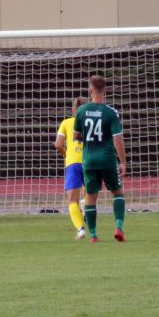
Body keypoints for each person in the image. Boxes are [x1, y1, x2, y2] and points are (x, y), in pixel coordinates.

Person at [72, 75, 127, 243]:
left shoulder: (81, 111)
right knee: (117, 192)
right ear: (105, 90)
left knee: (90, 196)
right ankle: (118, 227)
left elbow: (76, 136)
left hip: (88, 159)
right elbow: (118, 138)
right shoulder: (111, 112)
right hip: (107, 158)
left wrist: (89, 138)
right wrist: (123, 161)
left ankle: (94, 235)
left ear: (91, 90)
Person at [55, 97, 88, 240]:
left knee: (72, 200)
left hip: (73, 162)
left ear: (74, 110)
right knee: (89, 194)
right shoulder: (90, 124)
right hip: (90, 160)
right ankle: (86, 206)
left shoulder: (66, 122)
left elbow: (58, 144)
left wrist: (66, 153)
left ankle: (81, 229)